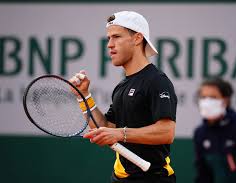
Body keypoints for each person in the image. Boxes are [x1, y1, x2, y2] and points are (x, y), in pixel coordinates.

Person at [70, 11, 177, 183]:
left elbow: (166, 132)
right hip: (120, 178)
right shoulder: (121, 86)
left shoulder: (157, 81)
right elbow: (105, 126)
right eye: (108, 38)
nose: (109, 45)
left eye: (116, 37)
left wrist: (120, 134)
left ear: (137, 38)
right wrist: (83, 96)